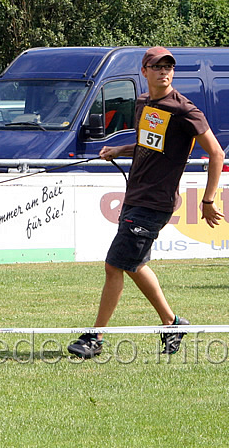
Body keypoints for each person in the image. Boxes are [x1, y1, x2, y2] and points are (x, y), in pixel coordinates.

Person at [67, 47, 225, 359]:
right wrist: (119, 149)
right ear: (145, 71)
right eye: (157, 67)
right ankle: (172, 323)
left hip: (156, 202)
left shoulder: (184, 110)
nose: (163, 72)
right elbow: (148, 144)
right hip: (135, 195)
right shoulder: (143, 104)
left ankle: (95, 337)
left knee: (115, 264)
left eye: (168, 67)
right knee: (134, 264)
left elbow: (217, 153)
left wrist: (208, 199)